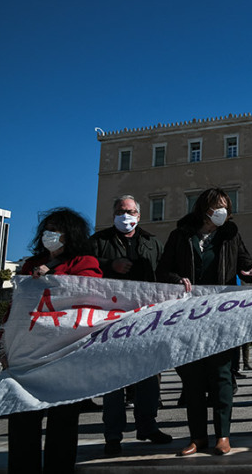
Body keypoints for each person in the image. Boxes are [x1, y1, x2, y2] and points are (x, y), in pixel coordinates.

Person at [156, 188, 252, 457]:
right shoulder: (180, 235)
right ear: (204, 208)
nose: (223, 211)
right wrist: (176, 280)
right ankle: (197, 437)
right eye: (218, 206)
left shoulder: (230, 235)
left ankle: (223, 436)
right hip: (189, 317)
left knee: (221, 377)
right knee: (193, 380)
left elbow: (246, 262)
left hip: (221, 316)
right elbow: (163, 270)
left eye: (226, 207)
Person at [8, 207, 103, 474]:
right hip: (29, 352)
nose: (51, 234)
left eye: (57, 229)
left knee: (63, 419)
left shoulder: (83, 262)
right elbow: (17, 305)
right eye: (47, 228)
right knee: (22, 416)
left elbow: (88, 292)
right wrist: (6, 341)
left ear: (69, 234)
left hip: (64, 353)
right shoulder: (29, 264)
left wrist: (51, 277)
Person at [89, 195, 171, 455]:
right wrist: (109, 265)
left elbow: (163, 273)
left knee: (148, 374)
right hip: (110, 317)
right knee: (114, 378)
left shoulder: (151, 242)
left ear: (139, 215)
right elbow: (84, 269)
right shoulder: (98, 242)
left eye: (131, 211)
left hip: (145, 316)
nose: (126, 216)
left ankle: (147, 425)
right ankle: (113, 435)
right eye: (121, 211)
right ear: (114, 214)